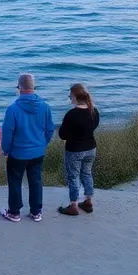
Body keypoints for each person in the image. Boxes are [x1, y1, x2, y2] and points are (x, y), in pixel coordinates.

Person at [0, 73, 54, 222]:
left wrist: (6, 149)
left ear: (19, 87)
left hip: (18, 152)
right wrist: (43, 143)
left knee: (15, 181)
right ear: (33, 87)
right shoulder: (45, 107)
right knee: (36, 180)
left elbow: (8, 132)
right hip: (38, 151)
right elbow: (50, 129)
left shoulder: (13, 109)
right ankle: (36, 212)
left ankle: (14, 212)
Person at [57, 83, 100, 216]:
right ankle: (88, 201)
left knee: (73, 176)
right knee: (87, 173)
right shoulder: (94, 110)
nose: (70, 98)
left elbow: (63, 135)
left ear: (75, 96)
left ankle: (73, 205)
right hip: (91, 147)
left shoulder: (72, 114)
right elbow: (94, 126)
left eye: (70, 96)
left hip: (75, 149)